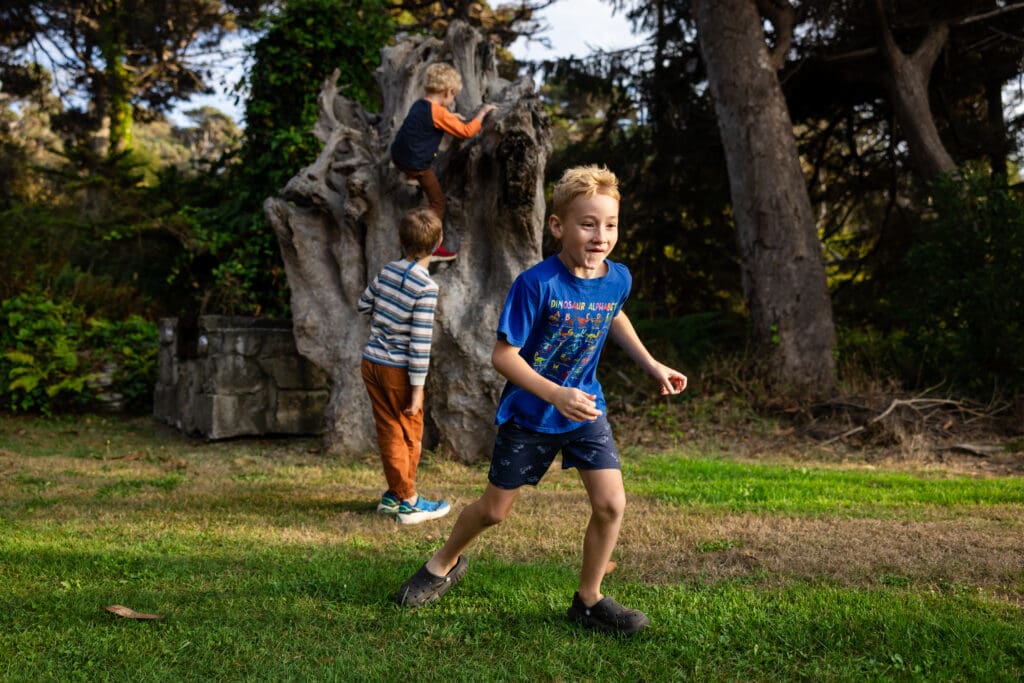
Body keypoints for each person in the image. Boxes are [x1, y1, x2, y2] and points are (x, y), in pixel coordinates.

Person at [392, 165, 688, 635]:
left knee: (612, 504)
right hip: (531, 414)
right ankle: (442, 562)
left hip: (585, 410)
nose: (600, 235)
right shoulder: (537, 283)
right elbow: (502, 356)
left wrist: (652, 365)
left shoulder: (618, 278)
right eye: (587, 224)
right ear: (558, 226)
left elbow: (614, 314)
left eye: (610, 225)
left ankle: (588, 601)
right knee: (494, 511)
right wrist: (555, 393)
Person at [358, 207, 451, 525]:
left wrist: (386, 310)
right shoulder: (426, 288)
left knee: (389, 428)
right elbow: (419, 345)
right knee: (408, 433)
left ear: (400, 239)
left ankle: (394, 495)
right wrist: (417, 390)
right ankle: (409, 502)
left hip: (372, 363)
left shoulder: (387, 272)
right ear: (439, 242)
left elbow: (363, 304)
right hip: (398, 371)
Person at [390, 62, 497, 262]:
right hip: (417, 165)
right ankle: (431, 245)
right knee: (438, 202)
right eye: (454, 95)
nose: (453, 99)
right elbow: (467, 132)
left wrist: (449, 116)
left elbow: (433, 120)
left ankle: (411, 177)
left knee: (424, 168)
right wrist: (482, 113)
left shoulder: (420, 104)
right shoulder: (439, 113)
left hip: (398, 158)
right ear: (448, 92)